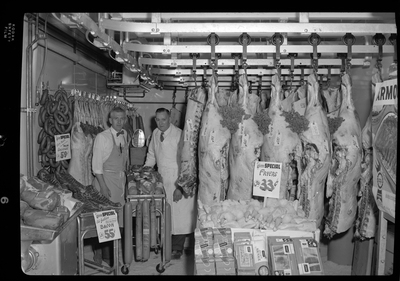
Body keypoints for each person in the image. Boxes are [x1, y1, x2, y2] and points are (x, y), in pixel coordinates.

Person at [144, 108, 196, 259]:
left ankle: (177, 248)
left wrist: (180, 187)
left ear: (169, 119)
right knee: (164, 214)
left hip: (177, 177)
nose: (160, 123)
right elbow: (151, 155)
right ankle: (165, 244)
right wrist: (146, 172)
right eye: (158, 120)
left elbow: (186, 163)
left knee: (179, 216)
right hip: (161, 178)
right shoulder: (155, 134)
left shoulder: (180, 135)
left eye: (163, 119)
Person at [91, 106, 129, 267]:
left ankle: (111, 254)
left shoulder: (125, 134)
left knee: (117, 219)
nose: (119, 122)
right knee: (106, 220)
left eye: (122, 118)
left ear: (125, 120)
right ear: (110, 120)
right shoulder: (102, 137)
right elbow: (96, 166)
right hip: (105, 180)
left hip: (119, 180)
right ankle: (107, 257)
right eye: (116, 118)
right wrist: (103, 187)